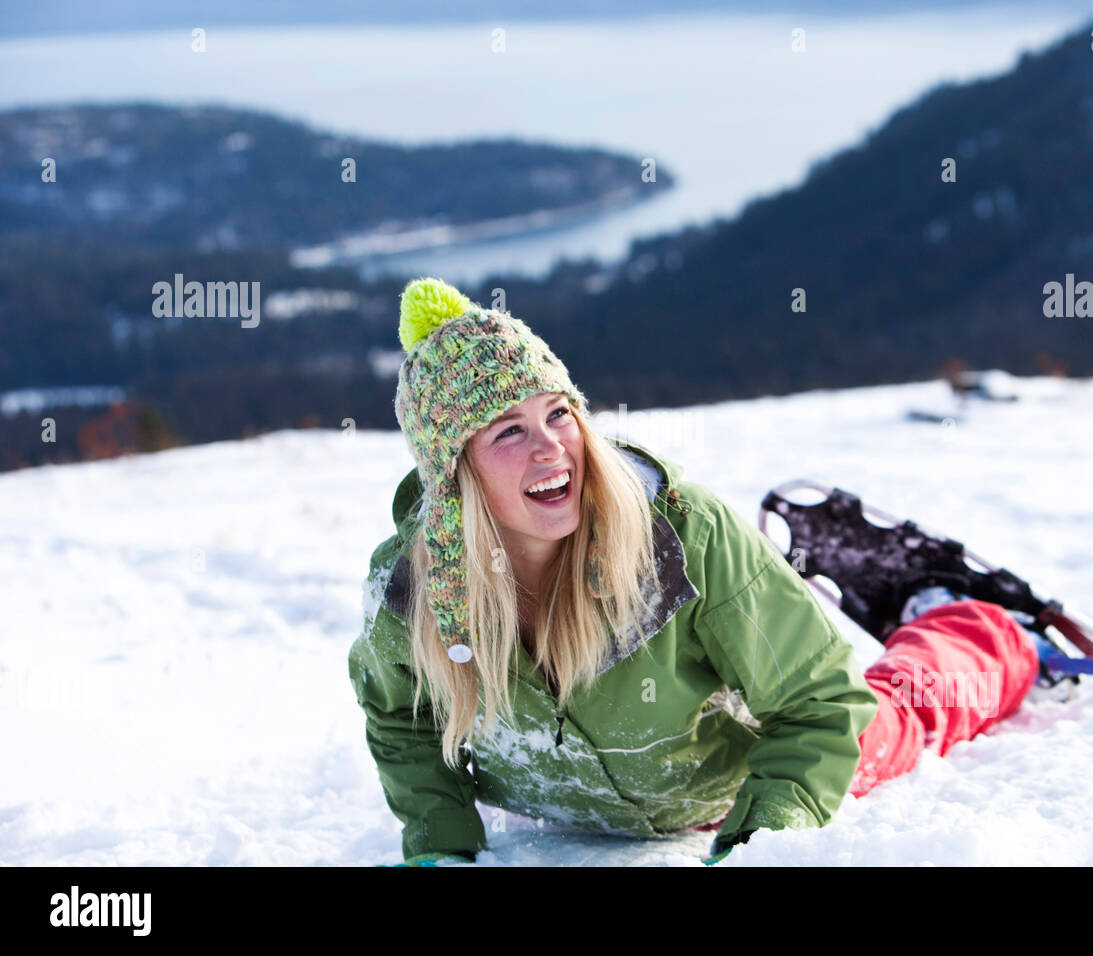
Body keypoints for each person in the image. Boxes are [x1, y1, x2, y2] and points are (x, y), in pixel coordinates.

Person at [347, 278, 1041, 866]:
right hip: (581, 802)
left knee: (898, 713)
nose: (552, 447)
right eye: (509, 431)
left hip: (737, 776)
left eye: (560, 414)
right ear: (455, 477)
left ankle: (969, 619)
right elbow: (400, 719)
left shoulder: (683, 539)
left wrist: (757, 841)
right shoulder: (410, 593)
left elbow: (820, 707)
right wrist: (440, 844)